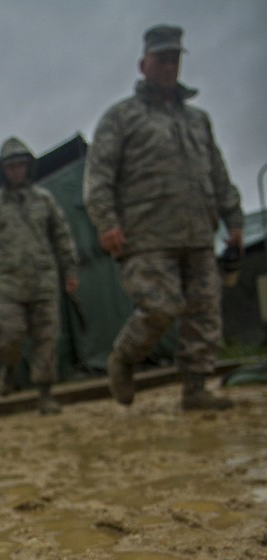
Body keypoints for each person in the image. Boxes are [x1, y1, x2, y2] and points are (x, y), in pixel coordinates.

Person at [84, 24, 244, 411]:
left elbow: (217, 172)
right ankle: (123, 357)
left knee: (204, 314)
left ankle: (195, 389)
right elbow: (99, 174)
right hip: (145, 237)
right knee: (161, 307)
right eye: (161, 59)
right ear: (143, 65)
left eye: (175, 59)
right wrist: (106, 221)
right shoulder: (121, 118)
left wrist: (234, 220)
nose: (169, 65)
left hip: (197, 233)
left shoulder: (197, 120)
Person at [0, 136, 80, 414]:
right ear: (3, 170)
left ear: (29, 168)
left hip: (43, 281)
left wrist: (70, 269)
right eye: (11, 166)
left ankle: (45, 395)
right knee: (8, 336)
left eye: (21, 165)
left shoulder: (45, 200)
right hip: (8, 284)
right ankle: (9, 367)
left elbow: (62, 236)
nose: (17, 171)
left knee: (46, 339)